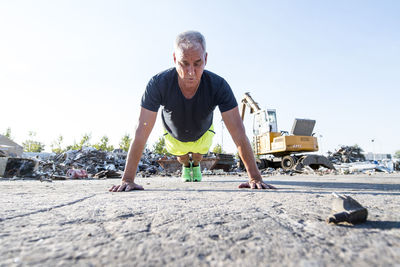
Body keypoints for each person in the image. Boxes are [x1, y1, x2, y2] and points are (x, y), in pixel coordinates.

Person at [109, 31, 276, 192]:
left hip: (203, 134)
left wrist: (255, 177)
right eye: (184, 63)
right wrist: (127, 179)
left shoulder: (219, 86)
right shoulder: (158, 84)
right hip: (174, 136)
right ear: (174, 59)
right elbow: (141, 131)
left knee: (197, 156)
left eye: (197, 63)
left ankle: (195, 165)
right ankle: (185, 164)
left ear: (206, 58)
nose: (190, 72)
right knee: (182, 157)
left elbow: (238, 132)